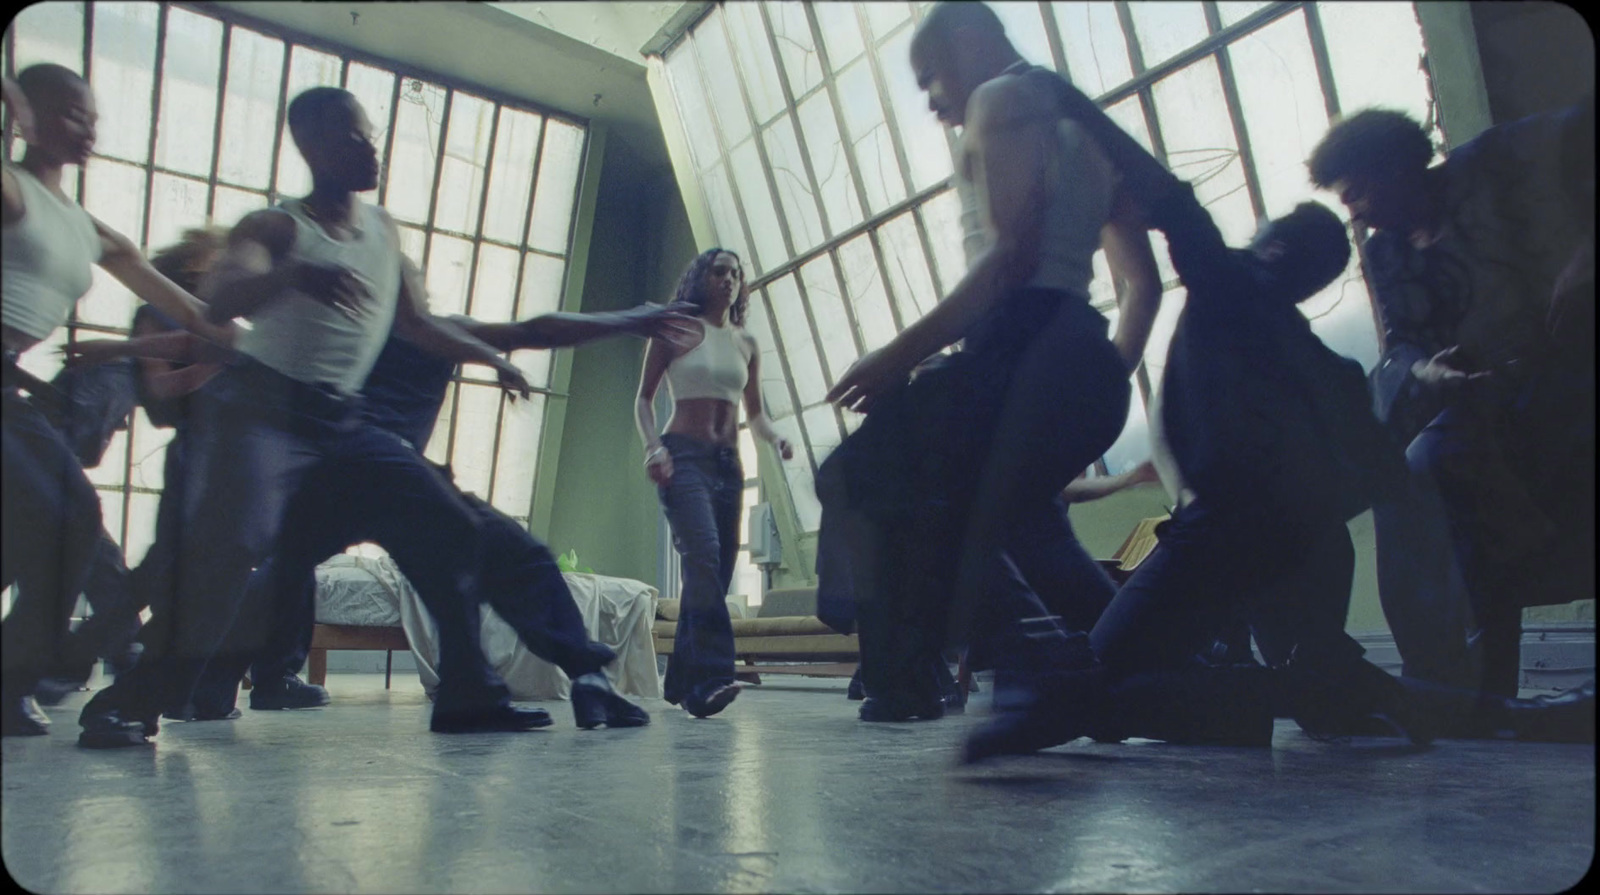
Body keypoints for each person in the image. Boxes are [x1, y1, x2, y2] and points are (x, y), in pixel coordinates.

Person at [961, 76, 1594, 761]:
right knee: (1260, 681)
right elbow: (1375, 475)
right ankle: (1354, 693)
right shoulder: (1329, 368)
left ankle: (1283, 695)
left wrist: (1072, 102)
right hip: (1303, 545)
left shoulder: (1231, 282)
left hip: (1217, 539)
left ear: (1270, 248)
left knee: (1092, 684)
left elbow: (1167, 189)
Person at [72, 86, 540, 747]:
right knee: (233, 551)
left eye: (371, 135)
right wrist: (292, 276)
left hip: (342, 420)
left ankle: (470, 694)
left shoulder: (383, 230)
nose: (369, 148)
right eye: (352, 137)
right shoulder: (276, 227)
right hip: (264, 410)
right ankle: (135, 700)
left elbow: (415, 322)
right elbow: (218, 301)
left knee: (450, 524)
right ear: (313, 146)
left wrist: (492, 356)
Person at [108, 298, 701, 728]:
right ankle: (181, 687)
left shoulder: (438, 333)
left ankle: (576, 680)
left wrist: (631, 318)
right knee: (275, 575)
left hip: (391, 477)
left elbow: (536, 328)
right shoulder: (348, 332)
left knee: (503, 552)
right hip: (346, 470)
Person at [813, 1, 1156, 723]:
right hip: (1078, 350)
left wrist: (893, 358)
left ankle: (978, 668)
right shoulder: (1085, 129)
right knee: (1021, 524)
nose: (933, 101)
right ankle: (1165, 668)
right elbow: (1142, 288)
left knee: (855, 473)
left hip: (1018, 337)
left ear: (971, 42)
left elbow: (1010, 262)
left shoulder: (1000, 99)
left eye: (930, 78)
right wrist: (1097, 378)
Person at [1307, 99, 1595, 697]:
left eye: (1358, 193)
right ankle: (1453, 686)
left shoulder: (1496, 161)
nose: (1356, 215)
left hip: (1572, 369)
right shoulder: (1386, 252)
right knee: (1415, 473)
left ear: (1397, 167)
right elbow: (1404, 344)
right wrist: (1429, 373)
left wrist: (1586, 256)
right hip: (1486, 394)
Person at [1, 65, 231, 738]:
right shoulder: (11, 190)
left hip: (9, 383)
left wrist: (266, 347)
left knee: (67, 520)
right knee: (63, 515)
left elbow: (188, 308)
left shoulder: (90, 229)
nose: (88, 127)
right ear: (28, 113)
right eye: (71, 112)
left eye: (93, 116)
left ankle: (11, 682)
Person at [635, 247, 793, 719]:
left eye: (734, 273)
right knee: (702, 557)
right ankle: (711, 679)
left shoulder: (746, 343)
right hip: (683, 459)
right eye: (718, 271)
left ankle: (681, 681)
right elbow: (642, 400)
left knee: (715, 574)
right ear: (700, 278)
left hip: (729, 465)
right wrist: (652, 448)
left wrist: (777, 437)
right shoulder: (675, 331)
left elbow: (756, 415)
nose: (727, 279)